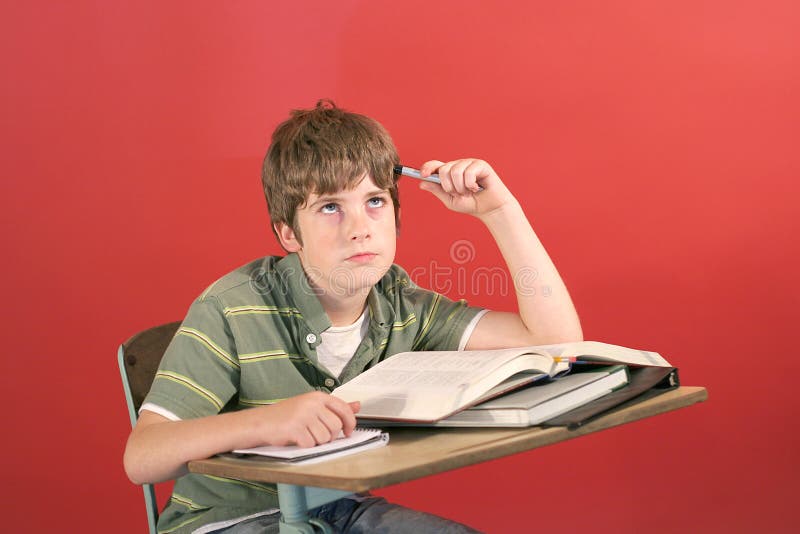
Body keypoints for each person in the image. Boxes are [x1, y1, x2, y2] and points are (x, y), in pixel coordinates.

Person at [124, 100, 582, 533]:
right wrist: (265, 422)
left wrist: (501, 213)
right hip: (225, 520)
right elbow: (143, 457)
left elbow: (556, 340)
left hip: (339, 508)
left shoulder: (400, 304)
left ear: (397, 217)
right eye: (329, 207)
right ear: (288, 233)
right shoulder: (232, 307)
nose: (359, 227)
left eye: (375, 201)